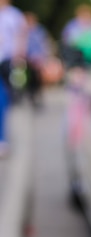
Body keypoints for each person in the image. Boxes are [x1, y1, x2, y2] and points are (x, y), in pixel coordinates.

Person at [0, 0, 27, 157]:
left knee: (3, 98)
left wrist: (19, 57)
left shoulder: (14, 15)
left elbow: (21, 36)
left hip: (7, 61)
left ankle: (2, 138)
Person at [24, 12, 50, 108]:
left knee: (38, 78)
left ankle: (37, 95)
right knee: (29, 78)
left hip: (38, 58)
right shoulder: (24, 30)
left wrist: (43, 56)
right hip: (27, 58)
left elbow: (44, 44)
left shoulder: (40, 30)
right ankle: (31, 95)